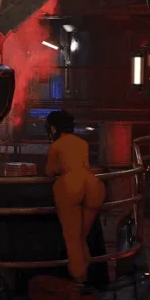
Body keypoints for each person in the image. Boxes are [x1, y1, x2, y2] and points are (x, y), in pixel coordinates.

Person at [45, 110, 105, 287]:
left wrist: (59, 167)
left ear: (53, 128)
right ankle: (88, 278)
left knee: (72, 238)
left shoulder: (56, 146)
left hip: (70, 187)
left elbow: (50, 171)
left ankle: (78, 282)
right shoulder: (82, 143)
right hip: (93, 186)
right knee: (81, 237)